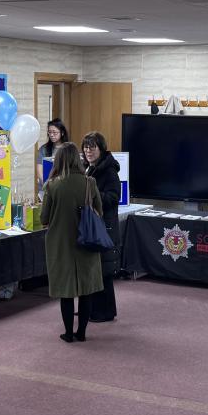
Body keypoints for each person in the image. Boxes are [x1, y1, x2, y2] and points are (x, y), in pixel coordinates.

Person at [41, 143, 103, 342]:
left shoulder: (52, 185)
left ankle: (68, 333)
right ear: (77, 159)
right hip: (87, 241)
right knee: (86, 290)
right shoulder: (90, 182)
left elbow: (44, 218)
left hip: (61, 244)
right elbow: (99, 212)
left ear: (58, 160)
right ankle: (82, 332)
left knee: (66, 292)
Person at [83, 132, 121, 323]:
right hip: (92, 225)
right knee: (93, 269)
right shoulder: (87, 168)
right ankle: (91, 308)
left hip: (105, 226)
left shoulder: (109, 171)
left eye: (92, 147)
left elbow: (114, 198)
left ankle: (104, 311)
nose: (88, 151)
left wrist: (93, 194)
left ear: (101, 148)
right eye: (86, 147)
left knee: (103, 271)